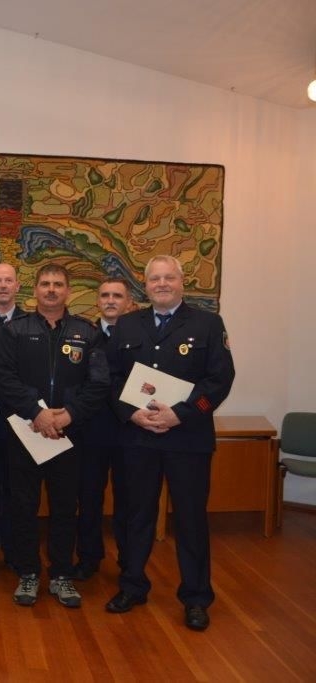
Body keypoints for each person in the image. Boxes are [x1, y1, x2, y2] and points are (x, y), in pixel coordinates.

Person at [105, 255, 235, 632]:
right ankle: (132, 586)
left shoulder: (208, 324)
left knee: (191, 521)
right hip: (137, 438)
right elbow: (111, 380)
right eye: (154, 279)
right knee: (135, 517)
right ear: (144, 286)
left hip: (187, 439)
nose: (162, 284)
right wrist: (131, 413)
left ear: (182, 281)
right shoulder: (127, 325)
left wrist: (183, 413)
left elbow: (220, 380)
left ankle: (195, 597)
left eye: (169, 278)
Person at [0, 263, 108, 609]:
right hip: (26, 434)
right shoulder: (15, 331)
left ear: (68, 291)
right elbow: (5, 379)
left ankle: (61, 574)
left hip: (70, 438)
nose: (52, 290)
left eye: (58, 284)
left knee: (64, 507)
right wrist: (38, 413)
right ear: (35, 290)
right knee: (23, 506)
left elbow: (99, 383)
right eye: (45, 284)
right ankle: (28, 571)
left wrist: (68, 415)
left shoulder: (87, 333)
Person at [74, 277, 136, 581]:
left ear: (129, 302)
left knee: (128, 500)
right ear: (97, 301)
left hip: (130, 431)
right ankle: (88, 558)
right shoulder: (85, 335)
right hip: (91, 430)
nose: (110, 300)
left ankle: (129, 561)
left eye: (117, 296)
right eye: (105, 295)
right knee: (88, 499)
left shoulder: (140, 335)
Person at [0, 262, 27, 568]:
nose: (2, 286)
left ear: (17, 285)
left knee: (18, 492)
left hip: (22, 423)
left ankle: (14, 551)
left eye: (7, 281)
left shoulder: (32, 323)